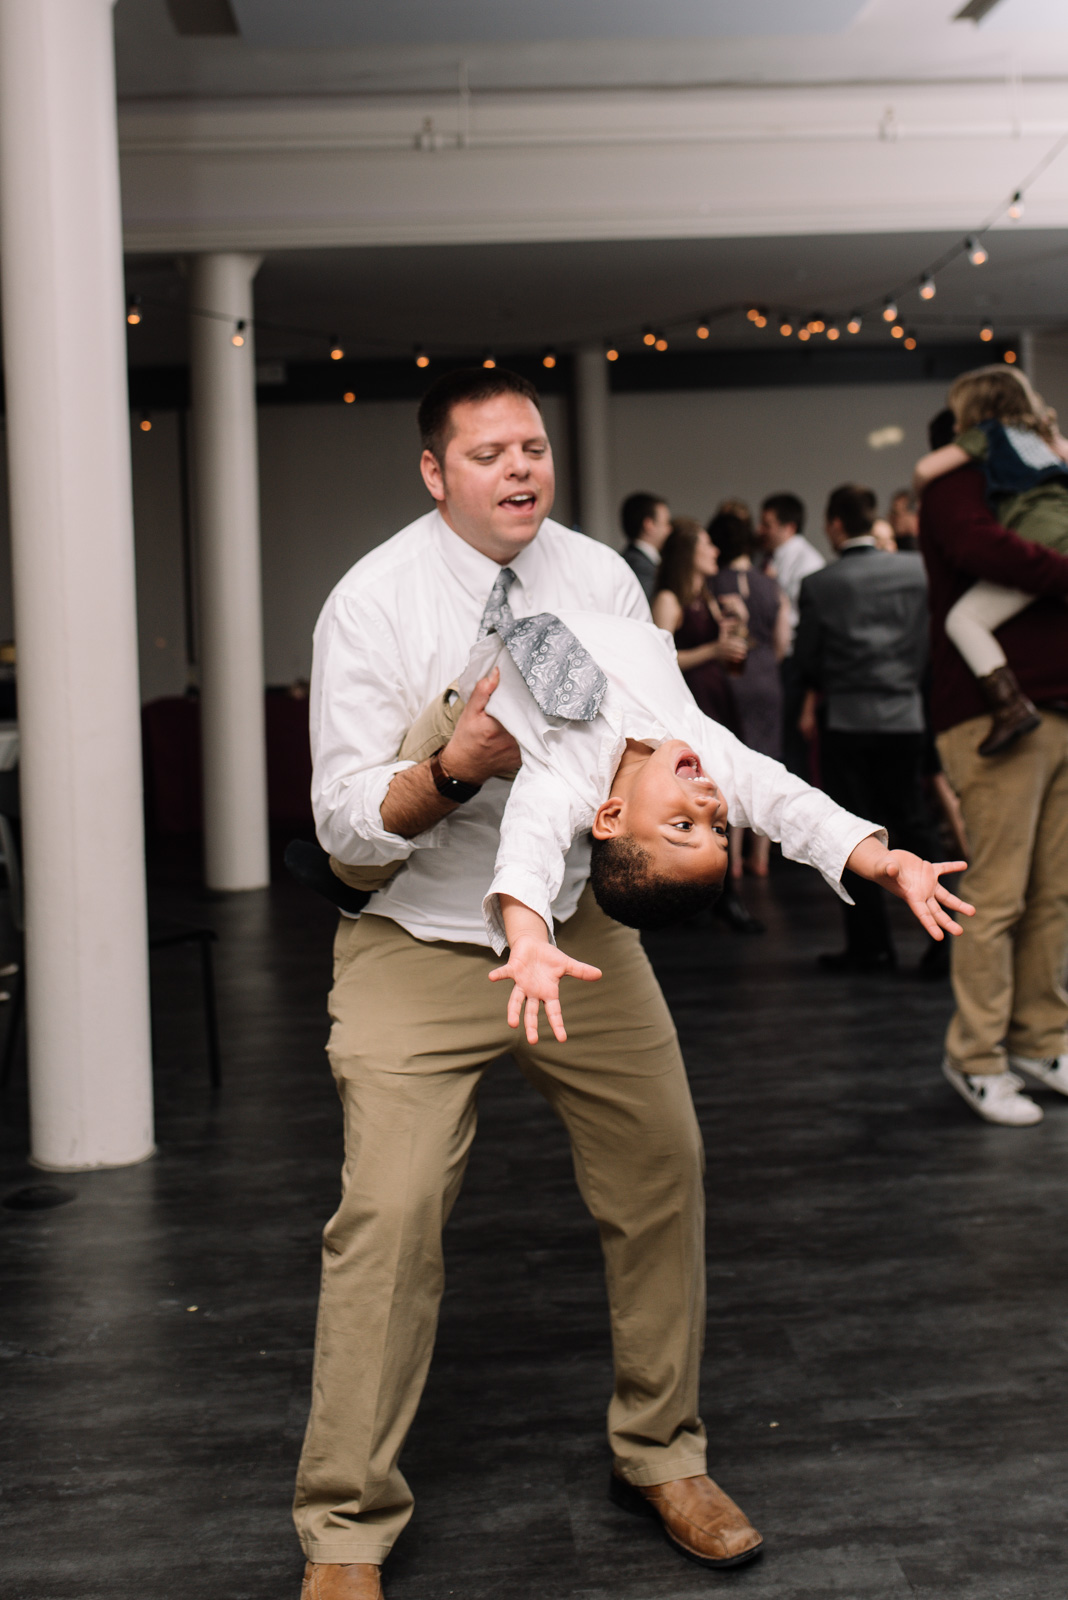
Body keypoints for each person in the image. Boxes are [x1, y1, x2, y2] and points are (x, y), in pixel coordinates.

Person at [299, 367, 761, 1599]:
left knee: (664, 1168)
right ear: (434, 472)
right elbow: (346, 832)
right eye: (490, 451)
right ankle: (346, 1529)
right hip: (416, 940)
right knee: (386, 1225)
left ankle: (663, 1451)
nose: (520, 469)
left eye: (534, 448)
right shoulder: (372, 603)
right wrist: (451, 768)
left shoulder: (599, 578)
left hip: (574, 924)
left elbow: (650, 755)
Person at [920, 434, 1068, 1126]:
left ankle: (1042, 1043)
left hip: (1052, 711)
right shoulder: (962, 483)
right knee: (1001, 895)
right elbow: (981, 552)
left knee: (1053, 893)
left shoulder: (1029, 475)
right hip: (995, 719)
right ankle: (977, 1057)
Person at [795, 484, 942, 974]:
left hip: (849, 719)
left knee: (854, 834)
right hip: (905, 713)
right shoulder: (916, 570)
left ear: (835, 524)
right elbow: (930, 641)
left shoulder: (821, 583)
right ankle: (944, 941)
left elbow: (808, 657)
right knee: (917, 825)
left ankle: (871, 945)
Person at [913, 364, 1068, 757]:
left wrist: (921, 490)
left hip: (1041, 544)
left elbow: (925, 469)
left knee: (963, 619)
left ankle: (1009, 705)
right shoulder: (1048, 438)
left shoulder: (989, 437)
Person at [652, 519, 762, 931]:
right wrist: (713, 649)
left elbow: (730, 647)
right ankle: (702, 893)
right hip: (692, 701)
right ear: (689, 553)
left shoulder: (708, 595)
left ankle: (722, 892)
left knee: (723, 793)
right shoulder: (670, 597)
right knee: (697, 799)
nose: (715, 551)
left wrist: (739, 622)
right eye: (707, 544)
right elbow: (661, 657)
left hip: (717, 695)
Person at [707, 511, 789, 879]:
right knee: (767, 764)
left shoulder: (712, 582)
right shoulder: (771, 584)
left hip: (731, 677)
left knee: (730, 764)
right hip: (767, 677)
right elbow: (784, 643)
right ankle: (763, 857)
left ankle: (733, 857)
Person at [756, 492, 825, 779]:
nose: (761, 531)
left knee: (792, 745)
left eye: (768, 524)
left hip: (795, 661)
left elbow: (803, 619)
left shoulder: (808, 562)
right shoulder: (772, 558)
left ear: (789, 527)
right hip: (781, 659)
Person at [619, 490, 671, 602]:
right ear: (649, 525)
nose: (669, 530)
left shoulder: (637, 559)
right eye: (666, 523)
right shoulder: (638, 564)